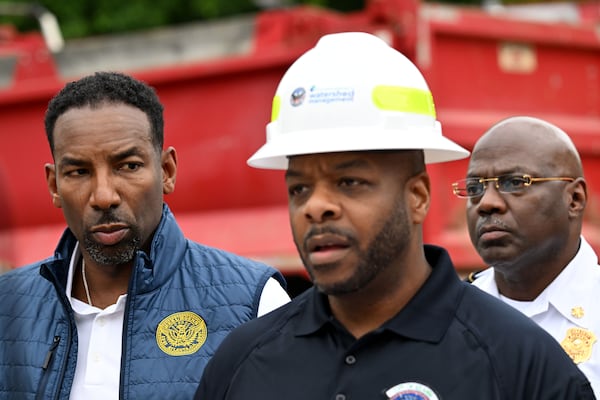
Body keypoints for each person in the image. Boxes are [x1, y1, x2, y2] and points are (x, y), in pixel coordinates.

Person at [194, 32, 595, 399]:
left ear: (418, 196)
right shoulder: (242, 363)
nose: (316, 206)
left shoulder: (523, 366)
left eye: (349, 182)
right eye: (299, 188)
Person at [0, 71, 290, 399]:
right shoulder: (7, 306)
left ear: (166, 171)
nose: (104, 196)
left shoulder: (256, 303)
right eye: (79, 172)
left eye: (128, 166)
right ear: (54, 185)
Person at [454, 115, 600, 395]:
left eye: (514, 183)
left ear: (574, 199)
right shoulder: (450, 314)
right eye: (475, 188)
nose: (487, 203)